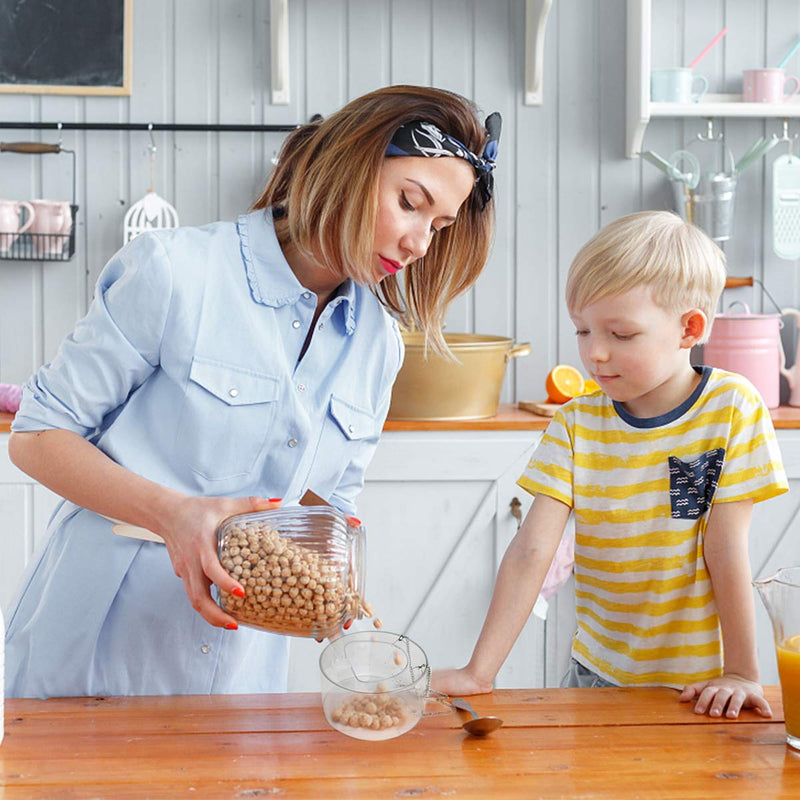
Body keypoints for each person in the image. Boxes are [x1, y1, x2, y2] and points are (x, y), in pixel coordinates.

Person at [4, 85, 502, 698]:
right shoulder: (177, 271)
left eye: (440, 225)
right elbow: (35, 435)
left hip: (236, 672)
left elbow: (329, 505)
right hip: (95, 651)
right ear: (348, 162)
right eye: (409, 203)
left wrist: (332, 580)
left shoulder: (379, 345)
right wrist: (173, 516)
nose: (420, 243)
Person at [433, 211, 788, 719]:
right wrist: (478, 673)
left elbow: (725, 545)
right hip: (594, 676)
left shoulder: (733, 408)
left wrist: (742, 673)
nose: (595, 354)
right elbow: (533, 549)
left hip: (703, 687)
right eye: (582, 330)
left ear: (689, 328)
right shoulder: (576, 424)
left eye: (621, 334)